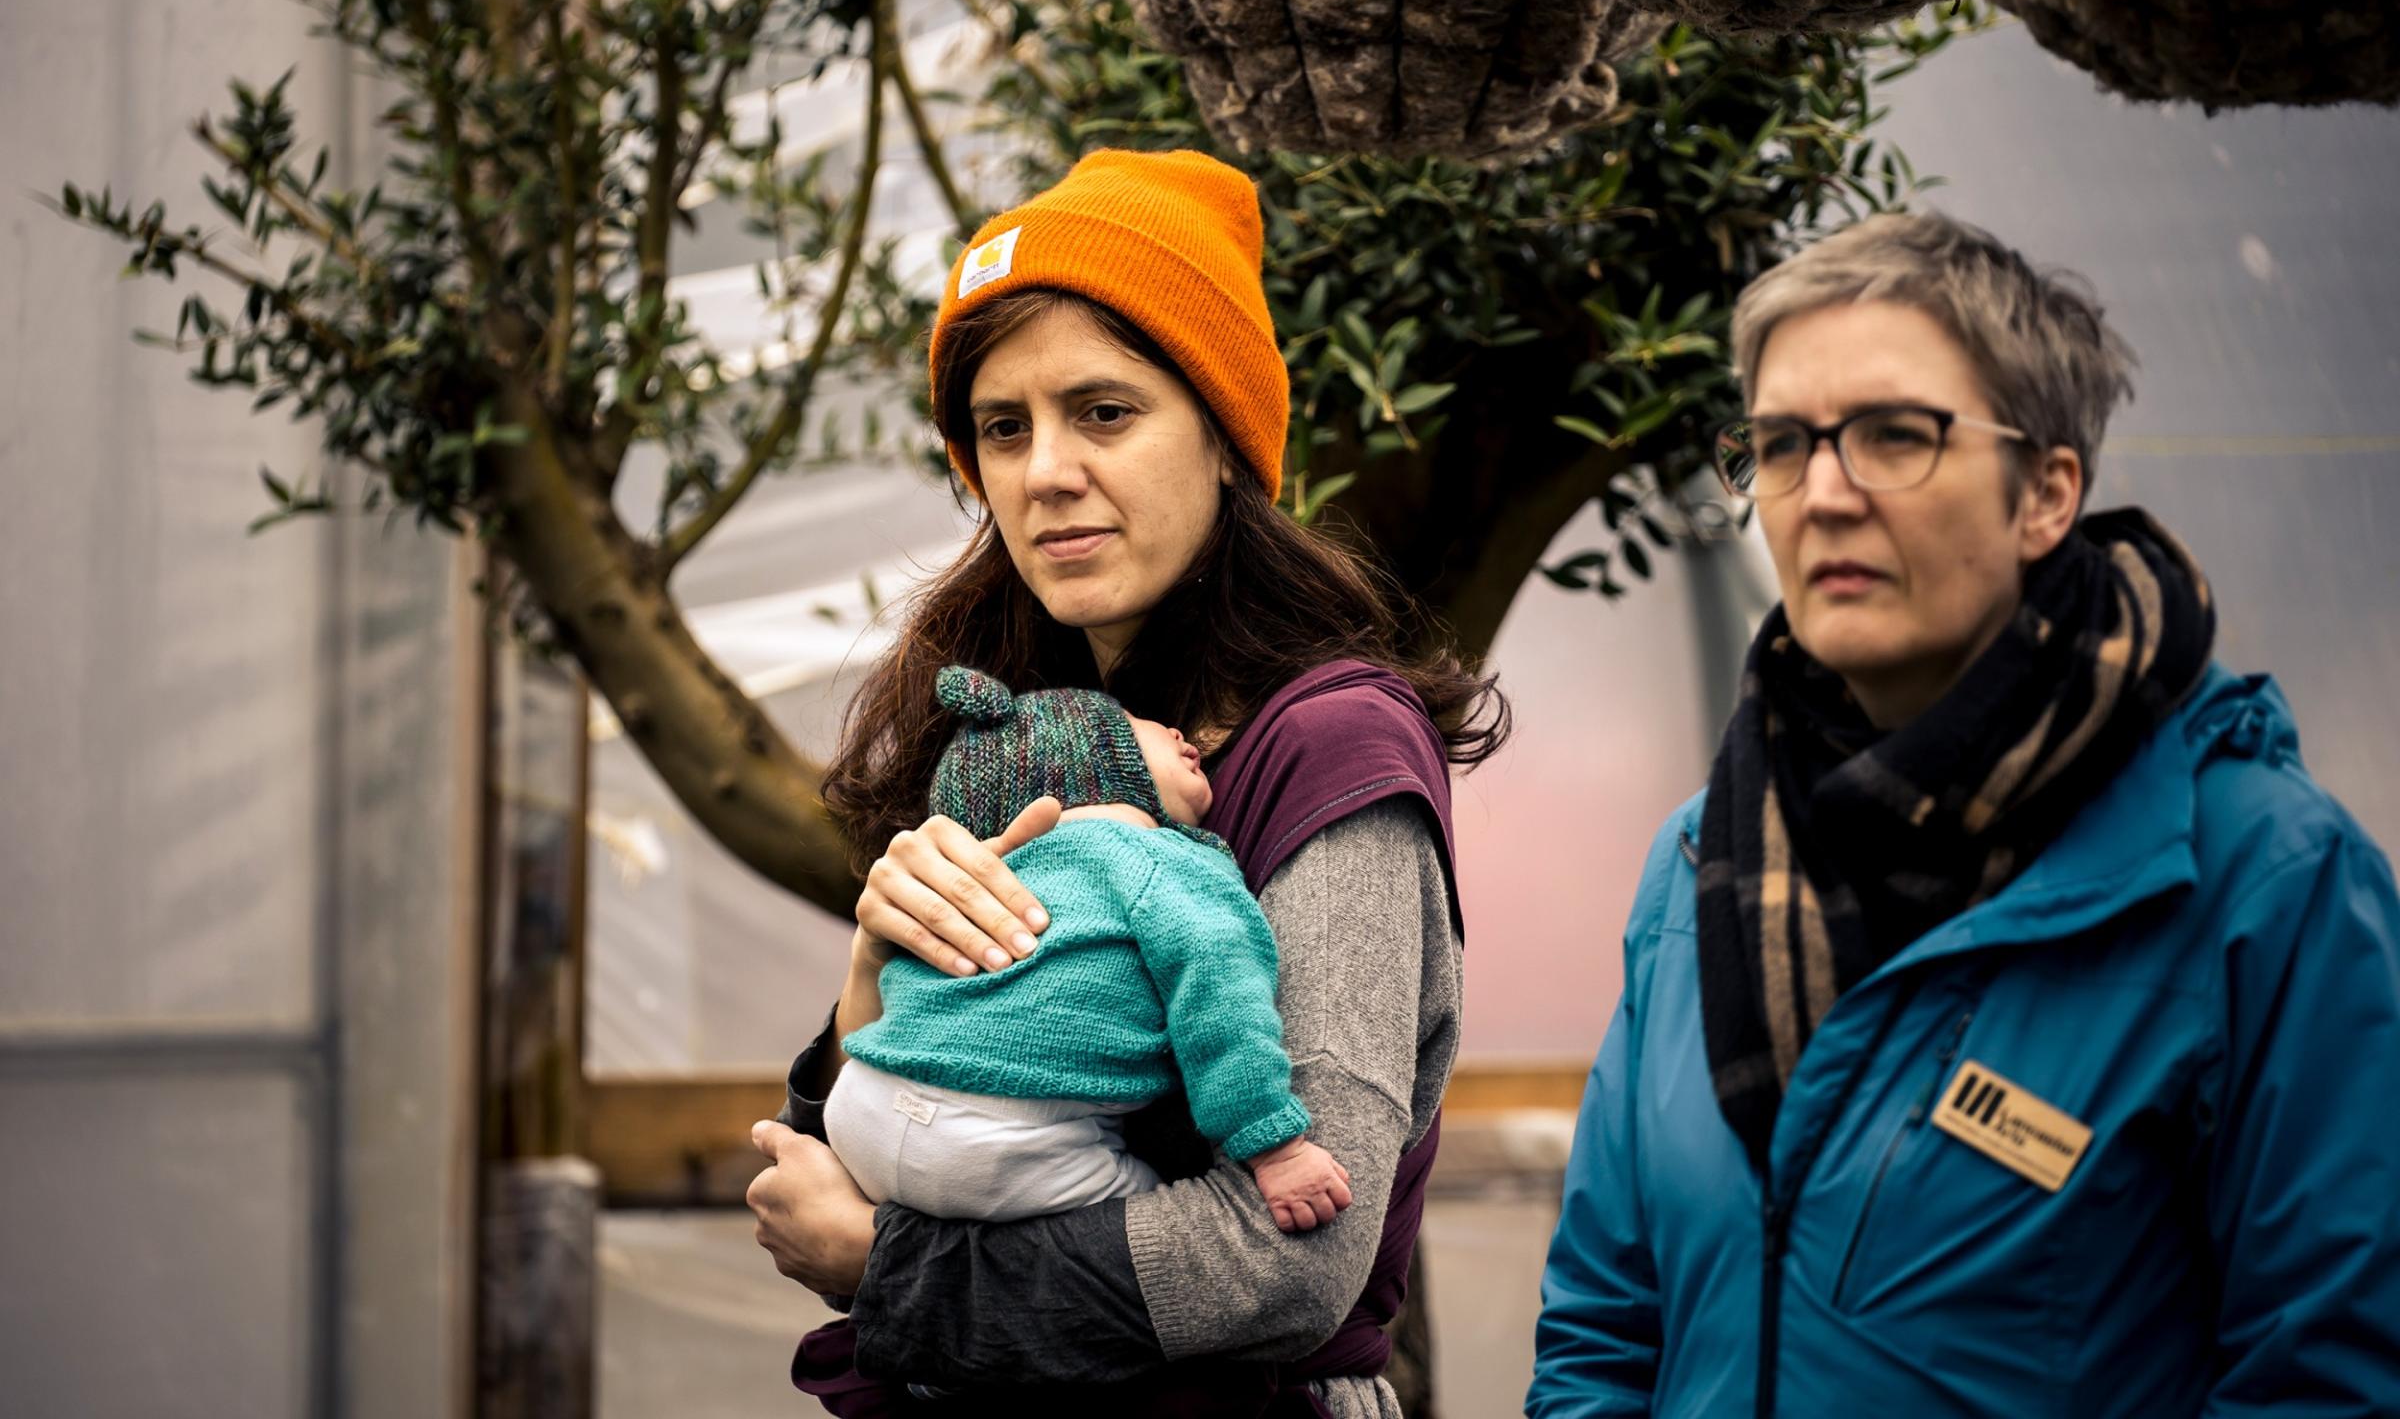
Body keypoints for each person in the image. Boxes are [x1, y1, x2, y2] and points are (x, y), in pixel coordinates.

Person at [1529, 209, 2400, 1417]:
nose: (1822, 494)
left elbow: (2331, 1379)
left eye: (1893, 435)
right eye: (1779, 444)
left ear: (2045, 493)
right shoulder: (1698, 865)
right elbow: (1602, 1331)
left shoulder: (2261, 878)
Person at [744, 147, 1508, 1416]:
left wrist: (893, 1272)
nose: (1045, 471)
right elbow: (885, 1137)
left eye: (1105, 411)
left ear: (1220, 436)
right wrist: (870, 974)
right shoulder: (1020, 738)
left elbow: (1295, 1259)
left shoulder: (1334, 755)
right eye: (1003, 426)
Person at [825, 663, 1353, 1235]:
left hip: (858, 1107)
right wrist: (1275, 1146)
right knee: (1149, 1216)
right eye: (1138, 722)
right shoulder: (1162, 860)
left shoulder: (994, 873)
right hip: (1001, 1142)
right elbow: (1223, 995)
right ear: (1098, 760)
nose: (1179, 732)